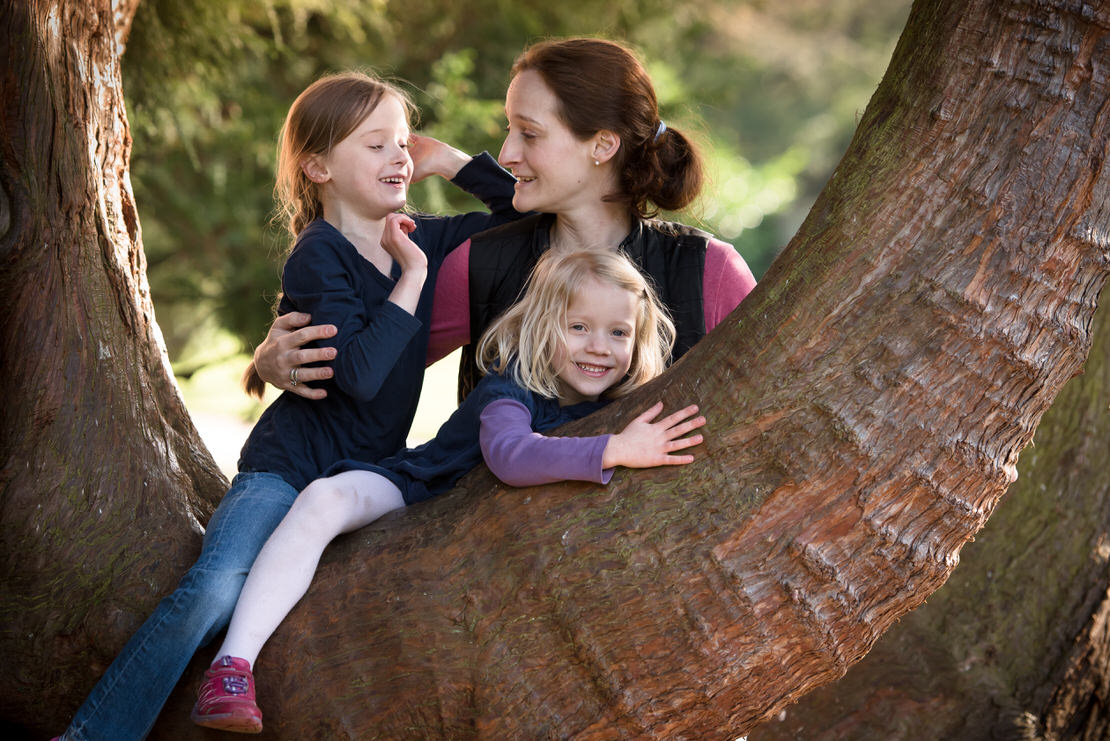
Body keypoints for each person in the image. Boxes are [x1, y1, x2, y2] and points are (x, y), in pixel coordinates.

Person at [55, 70, 523, 741]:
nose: (399, 157)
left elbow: (530, 210)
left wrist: (450, 161)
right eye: (375, 145)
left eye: (402, 144)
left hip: (363, 477)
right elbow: (359, 375)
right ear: (319, 166)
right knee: (218, 586)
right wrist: (414, 275)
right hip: (288, 467)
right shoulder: (319, 255)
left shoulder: (424, 231)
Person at [190, 247, 707, 734]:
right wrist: (612, 450)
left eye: (618, 332)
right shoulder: (512, 388)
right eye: (578, 327)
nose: (599, 346)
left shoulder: (618, 407)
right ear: (541, 327)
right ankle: (232, 665)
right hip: (420, 488)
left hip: (493, 558)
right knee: (325, 499)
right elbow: (510, 457)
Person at [252, 37, 758, 401]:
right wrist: (278, 365)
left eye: (529, 134)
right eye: (508, 130)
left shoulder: (710, 271)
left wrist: (455, 163)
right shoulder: (477, 264)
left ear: (603, 145)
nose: (507, 153)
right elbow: (371, 371)